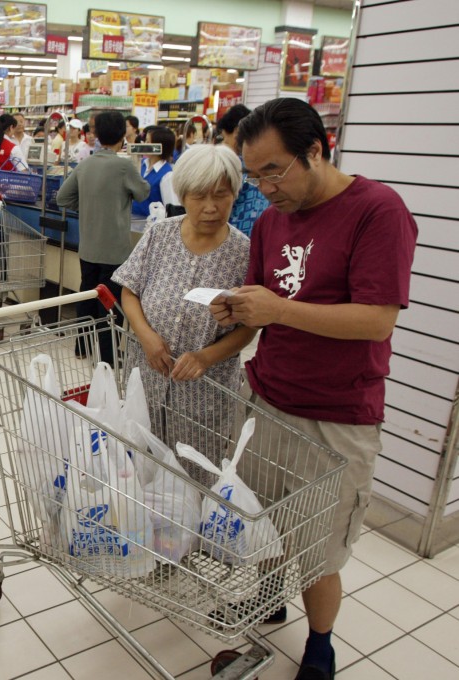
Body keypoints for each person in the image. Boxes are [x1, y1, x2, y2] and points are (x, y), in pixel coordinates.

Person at [210, 98, 418, 680]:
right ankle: (268, 596)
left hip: (336, 415)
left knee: (320, 547)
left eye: (274, 171)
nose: (264, 188)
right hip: (267, 397)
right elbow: (262, 303)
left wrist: (280, 308)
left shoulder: (378, 211)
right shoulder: (272, 220)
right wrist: (238, 309)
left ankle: (321, 642)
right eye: (253, 175)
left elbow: (376, 320)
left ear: (317, 150)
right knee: (265, 520)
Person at [112, 144, 254, 481]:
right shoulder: (160, 235)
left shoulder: (244, 252)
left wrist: (206, 357)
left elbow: (250, 326)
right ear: (182, 194)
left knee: (192, 478)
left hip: (204, 393)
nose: (210, 207)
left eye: (221, 195)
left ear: (234, 193)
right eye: (198, 196)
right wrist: (146, 337)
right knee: (138, 468)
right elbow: (129, 290)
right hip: (147, 375)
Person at [55, 111, 149, 364]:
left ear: (96, 134)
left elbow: (62, 198)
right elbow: (142, 193)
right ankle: (107, 356)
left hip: (88, 247)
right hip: (114, 250)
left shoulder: (86, 164)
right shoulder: (124, 165)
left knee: (86, 294)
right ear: (122, 136)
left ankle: (82, 346)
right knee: (109, 302)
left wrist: (86, 206)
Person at [216, 104, 269, 237]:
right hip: (262, 232)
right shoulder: (264, 160)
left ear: (236, 132)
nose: (224, 143)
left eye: (225, 137)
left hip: (236, 233)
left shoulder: (233, 163)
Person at [132, 126, 178, 218]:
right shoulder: (140, 165)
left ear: (160, 146)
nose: (144, 145)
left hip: (150, 226)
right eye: (145, 141)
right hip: (132, 221)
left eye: (148, 142)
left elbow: (172, 209)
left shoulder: (167, 175)